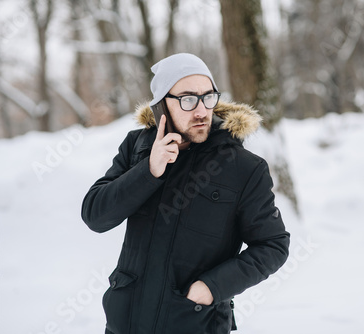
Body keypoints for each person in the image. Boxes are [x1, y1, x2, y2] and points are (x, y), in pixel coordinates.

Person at [81, 53, 290, 334]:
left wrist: (211, 287)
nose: (202, 110)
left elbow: (273, 245)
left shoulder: (244, 168)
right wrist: (148, 171)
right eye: (188, 99)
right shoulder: (137, 148)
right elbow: (96, 216)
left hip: (194, 322)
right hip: (125, 324)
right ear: (162, 105)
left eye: (208, 97)